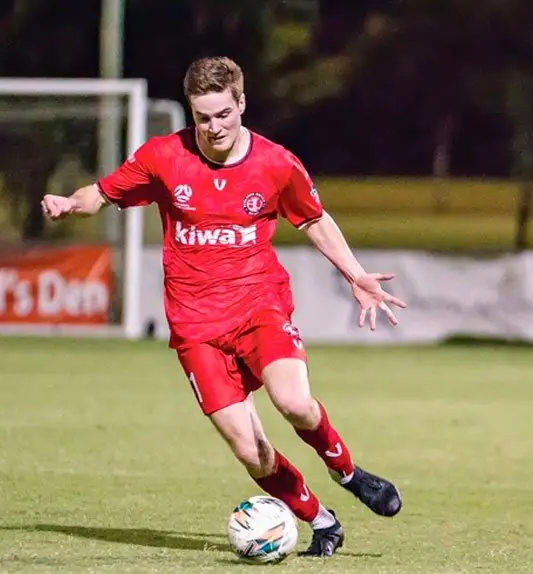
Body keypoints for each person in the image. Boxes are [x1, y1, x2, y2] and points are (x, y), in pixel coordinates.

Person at [42, 56, 406, 558]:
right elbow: (101, 193)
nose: (213, 128)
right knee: (249, 449)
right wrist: (68, 203)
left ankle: (347, 472)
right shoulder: (163, 157)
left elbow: (316, 221)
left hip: (259, 305)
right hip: (195, 327)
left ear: (241, 104)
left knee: (295, 402)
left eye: (222, 114)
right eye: (202, 118)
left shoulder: (276, 163)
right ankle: (321, 521)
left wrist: (356, 275)